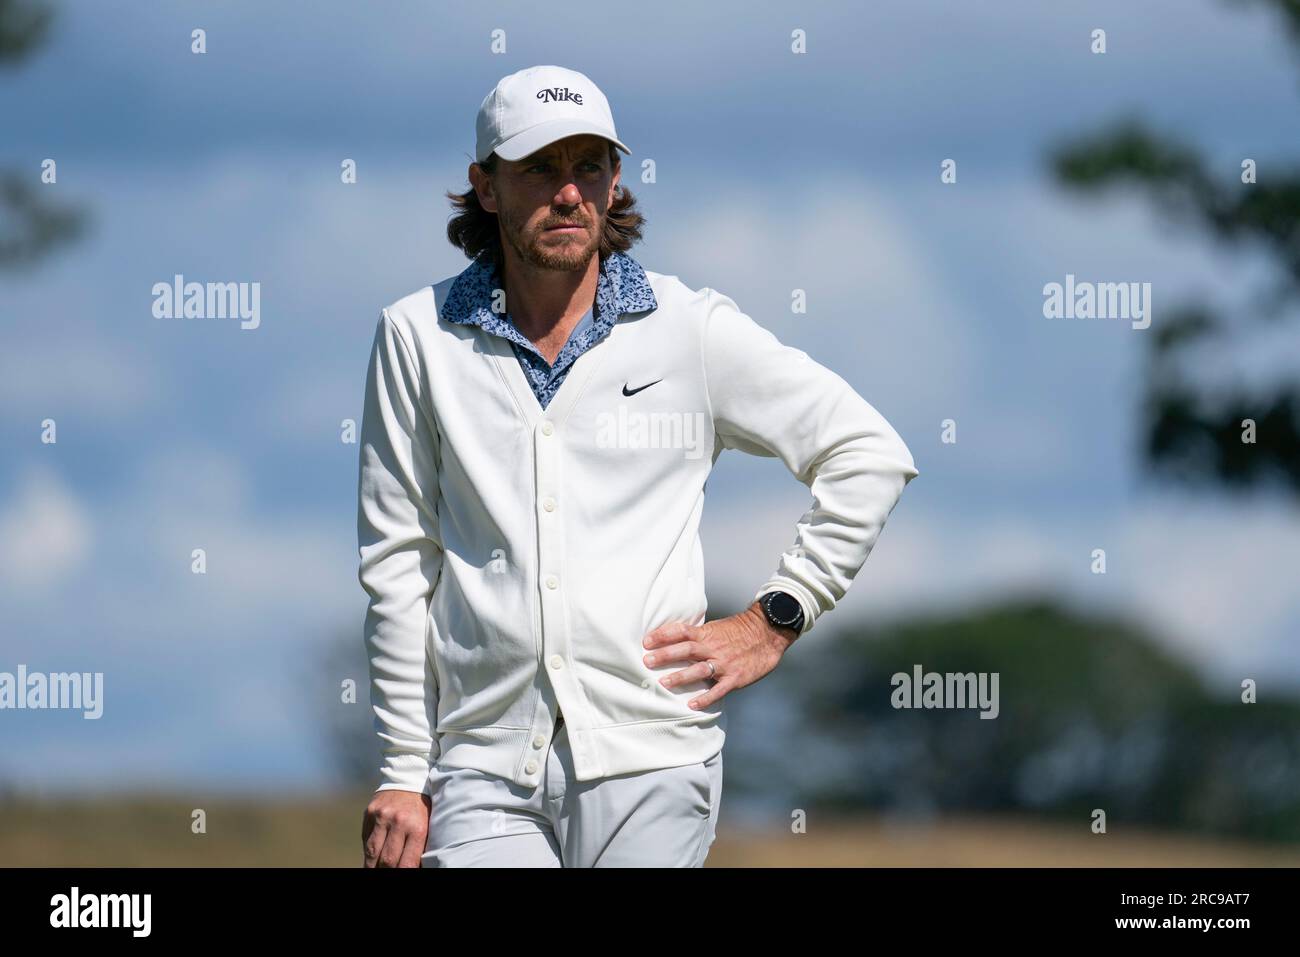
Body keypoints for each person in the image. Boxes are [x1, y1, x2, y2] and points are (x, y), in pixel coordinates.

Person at [357, 64, 919, 867]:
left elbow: (868, 453)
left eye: (590, 166)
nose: (570, 192)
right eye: (540, 168)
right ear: (485, 187)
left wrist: (777, 618)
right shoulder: (416, 336)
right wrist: (405, 771)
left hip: (655, 756)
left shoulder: (688, 327)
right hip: (477, 764)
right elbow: (396, 562)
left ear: (616, 182)